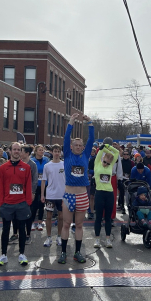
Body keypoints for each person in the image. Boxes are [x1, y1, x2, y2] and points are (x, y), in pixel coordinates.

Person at [59, 113, 95, 265]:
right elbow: (66, 138)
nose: (79, 147)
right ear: (71, 147)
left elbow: (91, 139)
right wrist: (71, 123)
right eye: (76, 145)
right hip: (69, 195)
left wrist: (90, 123)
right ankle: (63, 253)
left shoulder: (86, 155)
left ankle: (77, 252)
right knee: (66, 224)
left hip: (82, 195)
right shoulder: (67, 154)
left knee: (79, 225)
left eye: (81, 145)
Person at [0, 142, 32, 267]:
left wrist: (28, 202)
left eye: (18, 150)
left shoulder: (26, 167)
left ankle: (22, 254)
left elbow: (28, 185)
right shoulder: (3, 168)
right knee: (5, 230)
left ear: (21, 151)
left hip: (21, 203)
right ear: (10, 151)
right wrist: (1, 201)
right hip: (7, 203)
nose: (16, 151)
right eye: (14, 149)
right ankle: (3, 255)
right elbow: (0, 186)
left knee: (22, 229)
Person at [93, 139, 119, 249]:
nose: (106, 164)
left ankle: (108, 239)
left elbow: (117, 153)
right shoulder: (97, 163)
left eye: (108, 163)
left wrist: (110, 146)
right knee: (98, 217)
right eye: (105, 161)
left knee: (108, 218)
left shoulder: (110, 166)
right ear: (103, 158)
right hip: (99, 193)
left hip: (109, 193)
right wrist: (105, 146)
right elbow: (101, 149)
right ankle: (97, 239)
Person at [41, 144, 65, 247]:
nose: (56, 153)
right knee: (49, 217)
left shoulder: (64, 164)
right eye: (55, 151)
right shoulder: (47, 166)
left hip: (62, 195)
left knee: (61, 217)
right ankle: (48, 237)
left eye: (58, 151)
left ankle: (59, 236)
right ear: (52, 152)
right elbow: (43, 181)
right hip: (50, 195)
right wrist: (43, 194)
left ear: (60, 153)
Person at [21, 144, 39, 244]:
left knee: (28, 214)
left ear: (27, 153)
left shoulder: (32, 165)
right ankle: (17, 234)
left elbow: (35, 180)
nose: (19, 153)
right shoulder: (18, 162)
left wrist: (32, 192)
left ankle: (28, 235)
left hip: (28, 193)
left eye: (21, 151)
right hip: (19, 193)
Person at [30, 145, 50, 232]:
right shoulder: (32, 160)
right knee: (34, 205)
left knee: (42, 204)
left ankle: (40, 222)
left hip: (45, 185)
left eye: (42, 150)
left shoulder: (46, 160)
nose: (42, 151)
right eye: (40, 150)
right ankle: (32, 223)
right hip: (35, 185)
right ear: (36, 151)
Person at [117, 148, 133, 214]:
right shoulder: (120, 161)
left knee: (128, 194)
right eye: (124, 154)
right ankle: (122, 206)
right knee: (122, 193)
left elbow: (132, 170)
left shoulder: (131, 162)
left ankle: (129, 206)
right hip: (122, 178)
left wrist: (129, 175)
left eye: (127, 154)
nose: (125, 155)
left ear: (129, 155)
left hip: (128, 179)